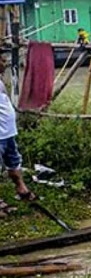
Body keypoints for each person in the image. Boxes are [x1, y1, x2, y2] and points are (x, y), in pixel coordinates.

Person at [0, 54, 35, 219]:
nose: (5, 63)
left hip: (8, 132)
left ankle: (22, 189)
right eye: (1, 61)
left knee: (13, 162)